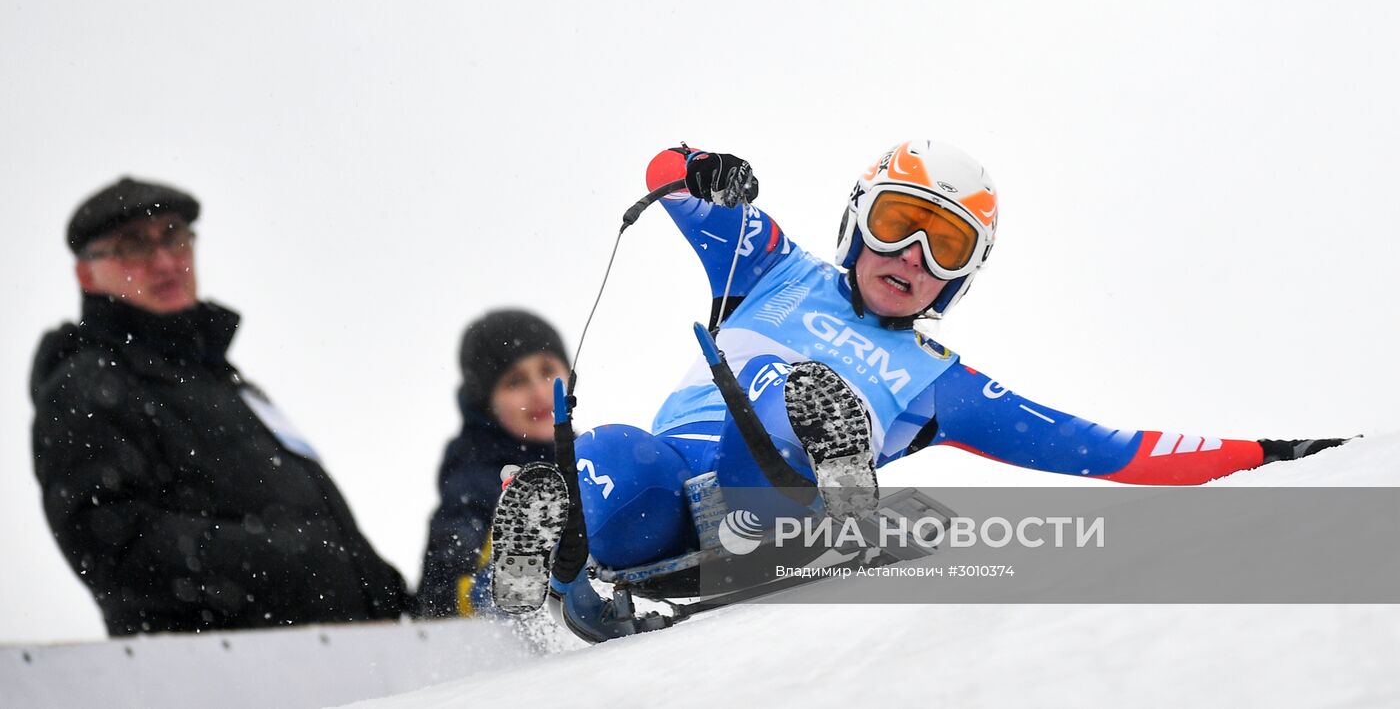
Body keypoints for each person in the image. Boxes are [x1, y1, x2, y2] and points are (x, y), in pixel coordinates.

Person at [489, 141, 1350, 610]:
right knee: (618, 454)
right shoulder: (774, 269)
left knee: (785, 395)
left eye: (946, 247)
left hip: (765, 512)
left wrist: (1264, 452)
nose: (913, 256)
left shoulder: (940, 378)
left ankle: (838, 479)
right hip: (667, 501)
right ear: (856, 224)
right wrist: (706, 171)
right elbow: (666, 180)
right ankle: (551, 573)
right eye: (900, 224)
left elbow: (1102, 449)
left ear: (962, 280)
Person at [30, 176, 410, 635]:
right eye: (133, 247)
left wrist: (386, 592)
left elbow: (314, 536)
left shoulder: (220, 380)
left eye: (175, 238)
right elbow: (107, 541)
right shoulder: (89, 382)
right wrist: (288, 559)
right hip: (220, 679)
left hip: (337, 664)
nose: (166, 262)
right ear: (86, 274)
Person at [417, 309, 571, 617]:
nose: (540, 392)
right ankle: (514, 584)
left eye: (547, 370)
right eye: (515, 382)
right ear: (487, 403)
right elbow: (439, 593)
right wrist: (484, 585)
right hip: (510, 639)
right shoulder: (473, 479)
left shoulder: (586, 457)